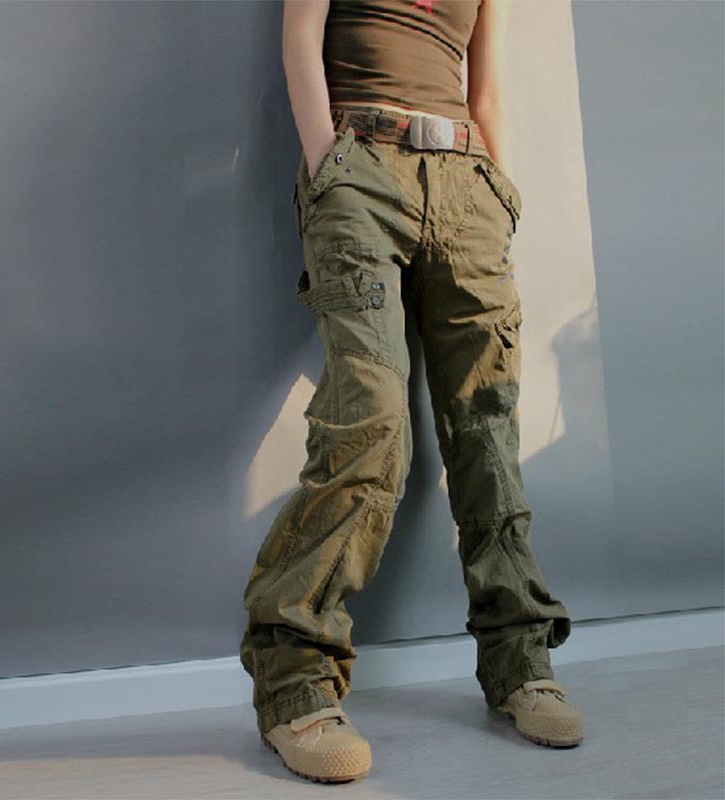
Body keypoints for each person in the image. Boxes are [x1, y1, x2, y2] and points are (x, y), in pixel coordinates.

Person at [240, 0, 585, 783]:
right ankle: (296, 688)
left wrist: (499, 189)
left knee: (488, 430)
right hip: (360, 167)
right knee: (370, 423)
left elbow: (485, 87)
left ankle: (521, 664)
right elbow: (300, 37)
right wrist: (327, 164)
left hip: (467, 181)